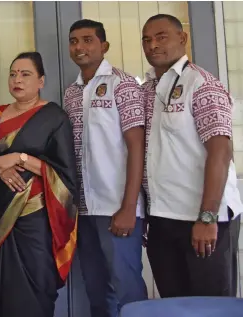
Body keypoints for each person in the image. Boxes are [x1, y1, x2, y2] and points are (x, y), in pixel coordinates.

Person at [141, 14, 242, 298]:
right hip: (161, 218)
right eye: (147, 40)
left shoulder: (203, 85)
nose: (153, 45)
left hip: (204, 219)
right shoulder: (147, 89)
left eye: (162, 37)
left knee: (210, 306)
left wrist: (207, 217)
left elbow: (220, 153)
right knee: (173, 304)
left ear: (182, 39)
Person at [0, 52, 78, 317]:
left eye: (25, 74)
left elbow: (66, 175)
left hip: (35, 218)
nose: (17, 80)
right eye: (13, 74)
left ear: (41, 81)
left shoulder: (54, 117)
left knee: (35, 286)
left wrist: (19, 158)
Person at [64, 19, 148, 317]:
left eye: (87, 40)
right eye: (74, 41)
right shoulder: (71, 92)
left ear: (104, 46)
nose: (79, 47)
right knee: (96, 290)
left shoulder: (122, 84)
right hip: (84, 210)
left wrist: (128, 206)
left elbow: (137, 146)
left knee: (128, 290)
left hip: (117, 207)